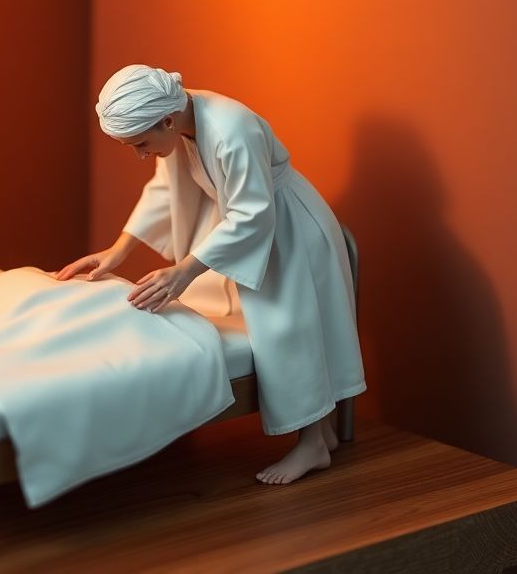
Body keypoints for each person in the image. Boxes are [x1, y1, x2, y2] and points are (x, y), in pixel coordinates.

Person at [58, 64, 367, 485]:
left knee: (289, 329)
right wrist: (118, 250)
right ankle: (323, 434)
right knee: (278, 321)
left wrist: (184, 271)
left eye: (142, 144)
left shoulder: (231, 129)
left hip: (287, 228)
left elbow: (251, 213)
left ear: (167, 121)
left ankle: (313, 442)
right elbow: (163, 190)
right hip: (257, 226)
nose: (141, 155)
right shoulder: (180, 118)